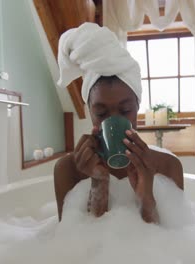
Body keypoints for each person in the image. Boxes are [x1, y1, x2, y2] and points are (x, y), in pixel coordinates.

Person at [54, 23, 183, 224]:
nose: (113, 121)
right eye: (101, 113)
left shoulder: (168, 166)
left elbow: (171, 243)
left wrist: (146, 198)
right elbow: (75, 248)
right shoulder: (67, 170)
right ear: (89, 112)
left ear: (138, 107)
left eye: (125, 111)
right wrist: (98, 184)